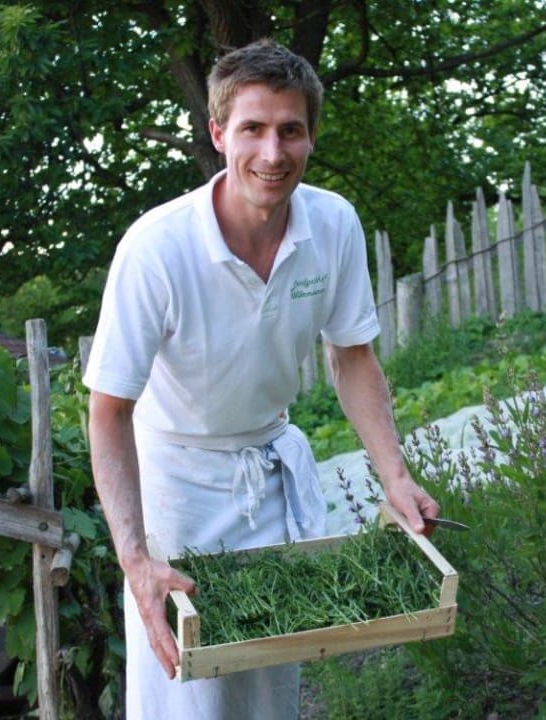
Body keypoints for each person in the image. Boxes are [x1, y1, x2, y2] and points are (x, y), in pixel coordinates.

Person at [82, 38, 439, 719]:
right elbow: (108, 410)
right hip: (177, 487)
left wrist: (395, 479)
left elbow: (353, 357)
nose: (271, 155)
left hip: (270, 470)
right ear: (218, 133)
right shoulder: (157, 248)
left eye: (290, 131)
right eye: (252, 129)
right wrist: (136, 559)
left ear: (310, 139)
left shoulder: (332, 225)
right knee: (191, 697)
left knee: (270, 689)